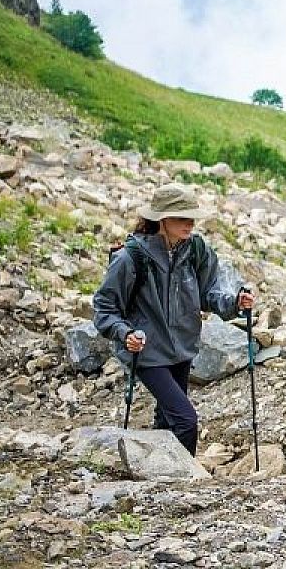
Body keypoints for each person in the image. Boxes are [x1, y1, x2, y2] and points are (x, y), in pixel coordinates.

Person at [93, 183, 254, 455]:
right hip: (147, 352)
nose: (189, 224)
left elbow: (208, 294)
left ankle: (156, 480)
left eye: (192, 217)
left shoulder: (195, 249)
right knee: (186, 421)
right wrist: (124, 334)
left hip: (182, 348)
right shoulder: (130, 258)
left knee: (168, 421)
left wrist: (235, 303)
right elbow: (104, 307)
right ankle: (184, 483)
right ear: (162, 219)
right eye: (182, 218)